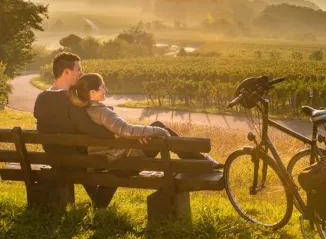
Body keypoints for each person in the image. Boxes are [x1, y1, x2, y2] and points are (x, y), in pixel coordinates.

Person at [67, 72, 224, 168]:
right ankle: (203, 162)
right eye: (103, 87)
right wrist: (160, 132)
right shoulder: (102, 112)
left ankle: (201, 160)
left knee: (155, 129)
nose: (106, 90)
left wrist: (142, 134)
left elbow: (122, 131)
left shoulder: (86, 110)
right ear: (93, 92)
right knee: (160, 127)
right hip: (126, 156)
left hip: (117, 152)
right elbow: (127, 130)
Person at [33, 52, 115, 205]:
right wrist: (114, 133)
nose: (81, 73)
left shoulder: (41, 98)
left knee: (79, 154)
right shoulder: (71, 99)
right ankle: (100, 204)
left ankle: (99, 204)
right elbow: (87, 127)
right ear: (66, 72)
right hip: (78, 161)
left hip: (56, 159)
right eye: (78, 70)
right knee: (119, 162)